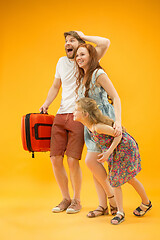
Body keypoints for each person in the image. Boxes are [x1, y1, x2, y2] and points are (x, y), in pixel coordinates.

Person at [39, 31, 111, 214]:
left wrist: (84, 36)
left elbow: (105, 42)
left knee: (72, 160)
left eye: (72, 41)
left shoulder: (85, 60)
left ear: (80, 45)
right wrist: (46, 104)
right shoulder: (61, 62)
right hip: (61, 115)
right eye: (66, 41)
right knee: (55, 158)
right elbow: (56, 86)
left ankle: (77, 200)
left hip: (79, 115)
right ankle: (65, 198)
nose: (67, 44)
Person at [73, 97, 152, 224]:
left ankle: (121, 212)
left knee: (117, 180)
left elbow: (119, 135)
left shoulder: (97, 127)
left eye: (76, 110)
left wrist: (108, 152)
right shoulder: (90, 127)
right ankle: (146, 203)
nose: (73, 112)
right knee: (124, 180)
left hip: (124, 148)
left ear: (85, 114)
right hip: (117, 150)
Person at [74, 43, 122, 217]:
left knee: (91, 161)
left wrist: (118, 121)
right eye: (77, 55)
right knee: (95, 166)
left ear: (91, 55)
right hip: (90, 126)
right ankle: (103, 206)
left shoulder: (98, 73)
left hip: (102, 122)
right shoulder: (82, 76)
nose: (78, 58)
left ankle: (112, 199)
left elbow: (116, 97)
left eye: (82, 54)